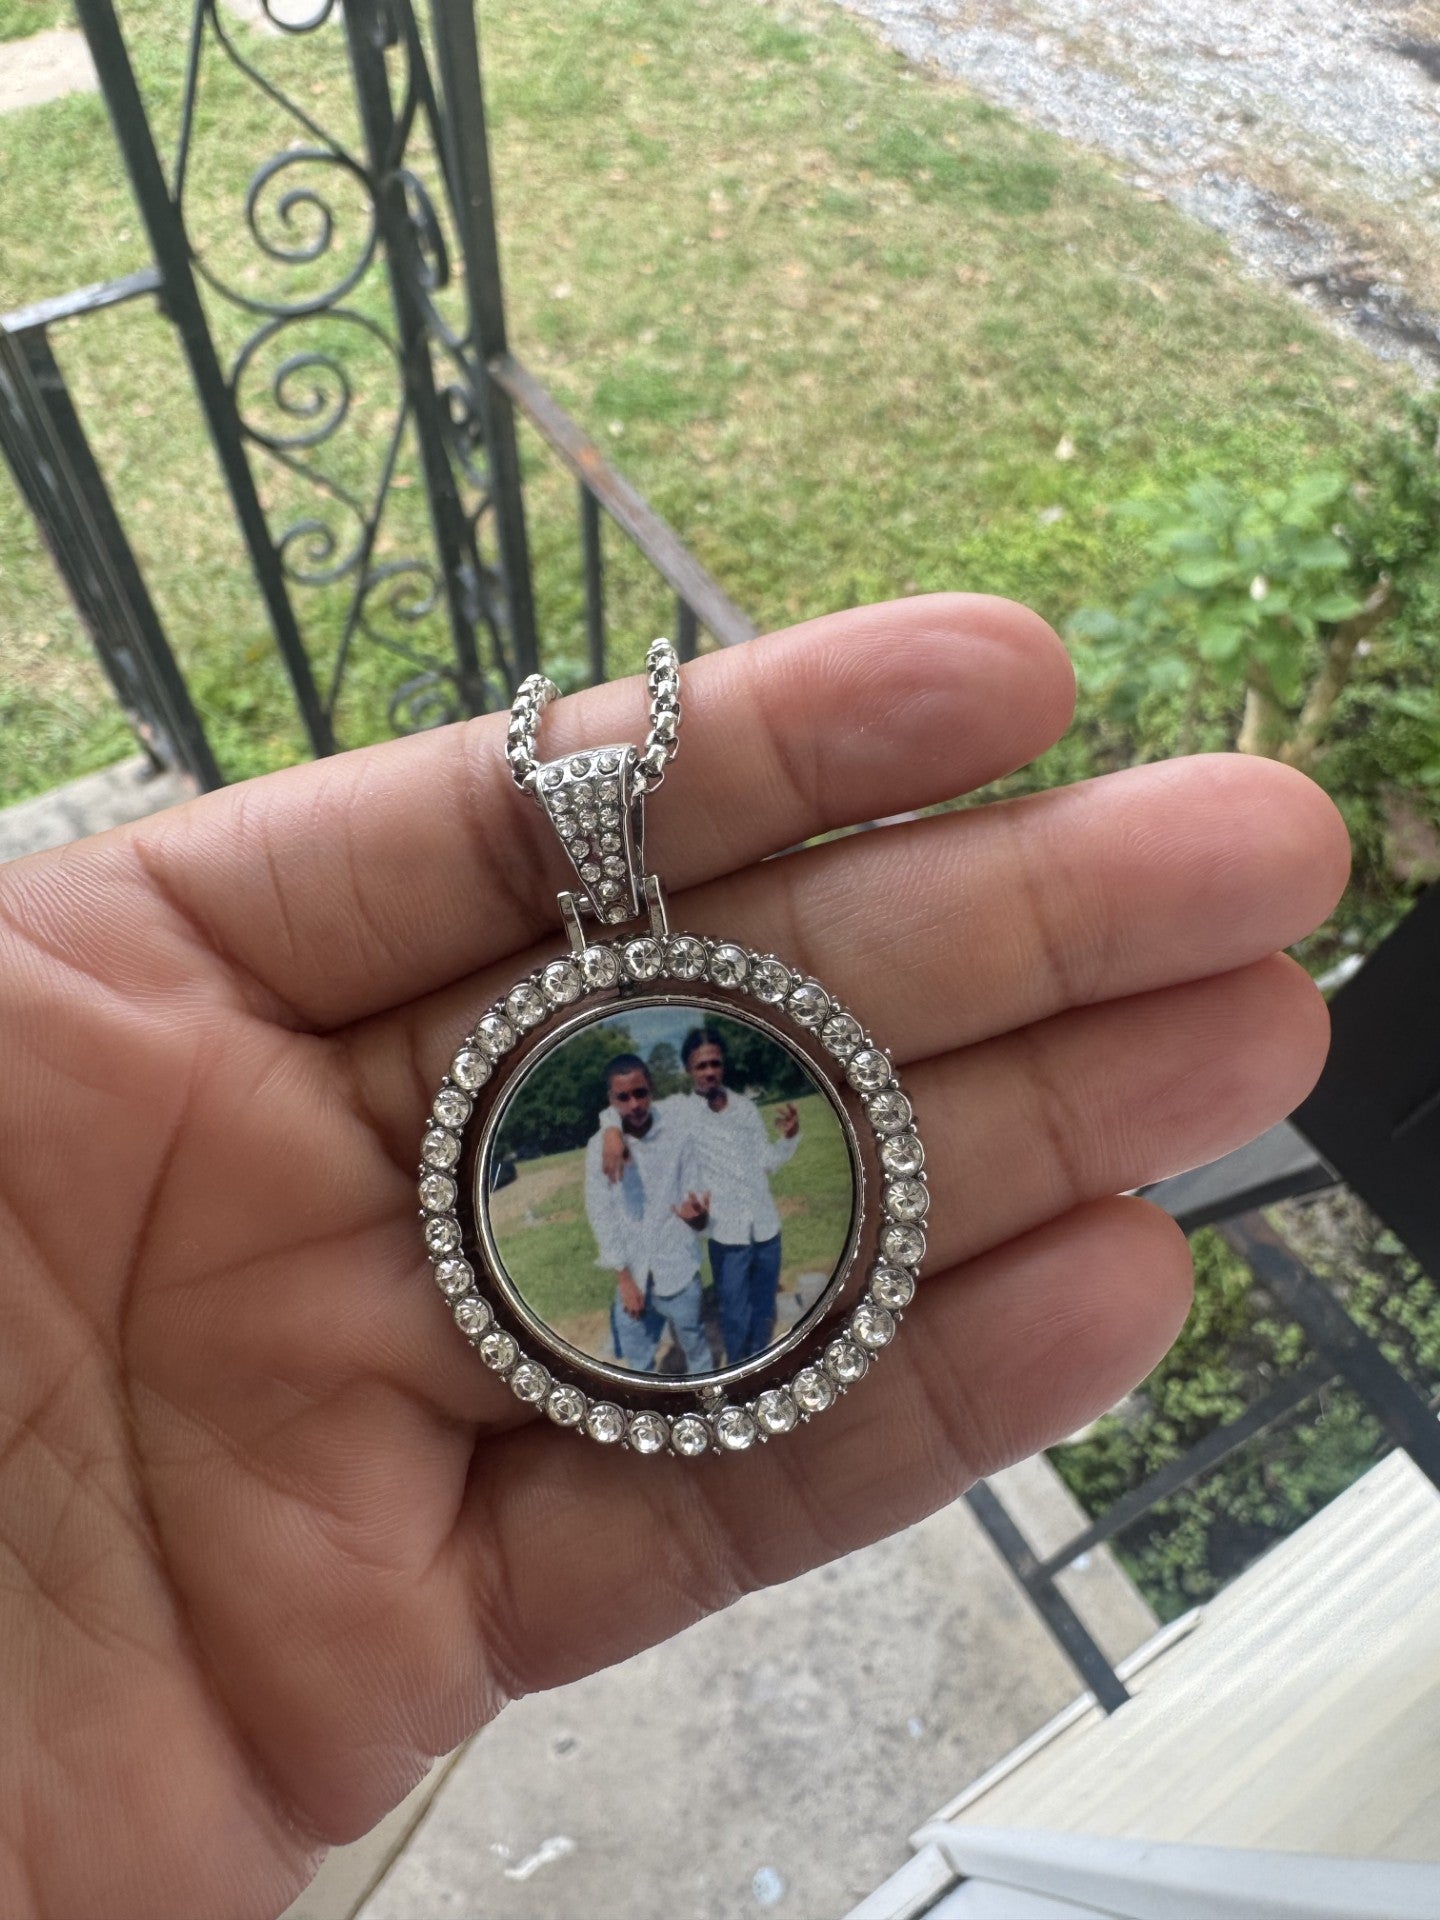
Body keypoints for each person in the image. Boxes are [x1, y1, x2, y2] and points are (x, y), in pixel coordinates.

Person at [0, 596, 1349, 1920]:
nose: (657, 1092)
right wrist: (639, 1261)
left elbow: (745, 1167)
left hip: (733, 1273)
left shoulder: (710, 1112)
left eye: (672, 1078)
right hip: (648, 1300)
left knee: (729, 1329)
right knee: (680, 1338)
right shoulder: (607, 1139)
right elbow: (612, 1221)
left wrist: (742, 1181)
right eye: (648, 1084)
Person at [598, 1026, 801, 1364]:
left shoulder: (745, 1108)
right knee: (735, 1314)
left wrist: (789, 1138)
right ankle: (739, 1371)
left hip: (767, 1228)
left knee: (764, 1310)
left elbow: (766, 1162)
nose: (709, 1072)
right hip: (726, 1233)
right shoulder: (680, 1110)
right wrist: (610, 1129)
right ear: (688, 1070)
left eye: (715, 1064)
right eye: (701, 1066)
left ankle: (759, 1366)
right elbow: (629, 1102)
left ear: (723, 1065)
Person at [583, 1052, 713, 1373]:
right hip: (633, 1274)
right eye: (623, 1098)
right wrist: (625, 1279)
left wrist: (698, 1217)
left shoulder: (678, 1132)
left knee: (696, 1349)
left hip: (678, 1267)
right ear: (611, 1100)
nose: (634, 1105)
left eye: (640, 1093)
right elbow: (601, 1215)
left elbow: (696, 1199)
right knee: (638, 1363)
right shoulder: (599, 1147)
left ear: (651, 1088)